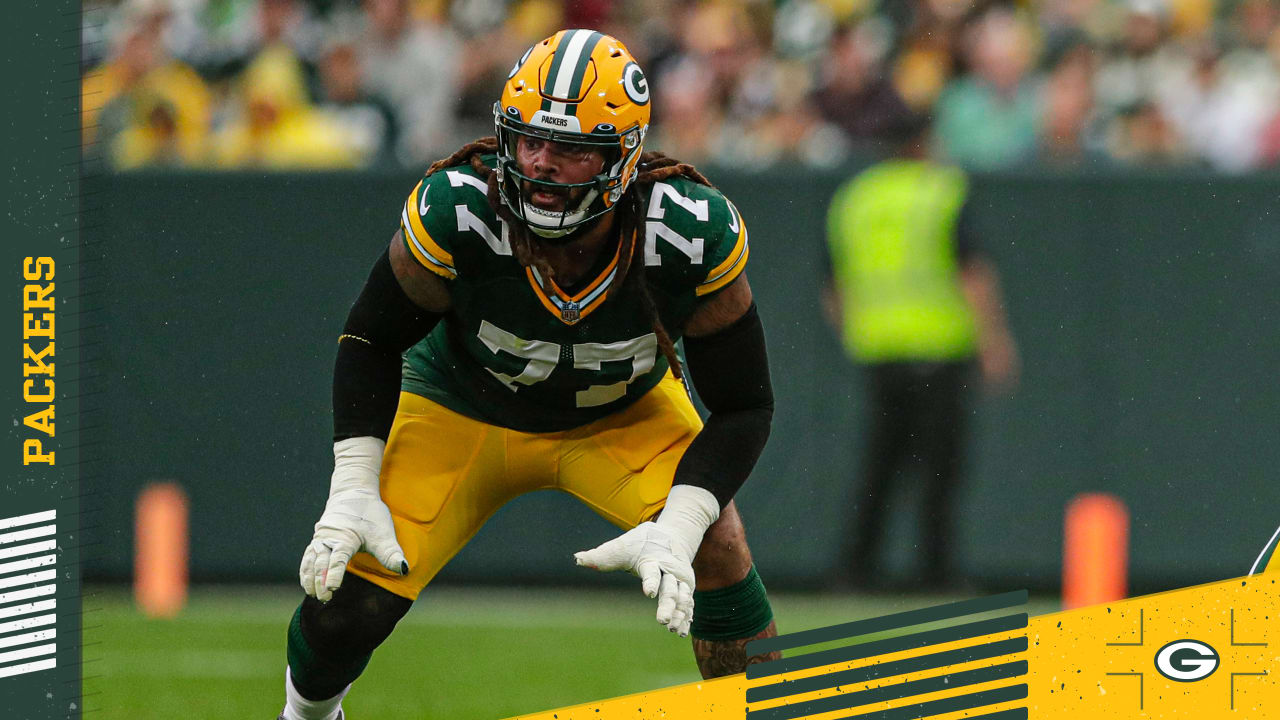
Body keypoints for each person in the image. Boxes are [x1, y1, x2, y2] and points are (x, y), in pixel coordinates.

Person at [279, 29, 780, 720]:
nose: (540, 163)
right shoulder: (462, 208)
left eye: (571, 147)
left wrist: (684, 520)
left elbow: (746, 405)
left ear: (622, 157)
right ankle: (305, 716)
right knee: (349, 597)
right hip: (460, 405)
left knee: (717, 544)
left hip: (623, 414)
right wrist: (353, 486)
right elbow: (370, 337)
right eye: (527, 139)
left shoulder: (687, 232)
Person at [823, 113, 1018, 592]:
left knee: (879, 468)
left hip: (879, 353)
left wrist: (855, 332)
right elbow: (971, 271)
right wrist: (994, 340)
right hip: (939, 349)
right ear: (923, 143)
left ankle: (853, 571)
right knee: (940, 470)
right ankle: (936, 573)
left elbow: (832, 284)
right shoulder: (941, 191)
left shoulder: (856, 198)